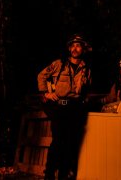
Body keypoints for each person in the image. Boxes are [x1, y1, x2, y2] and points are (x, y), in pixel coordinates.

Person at [37, 33, 92, 179]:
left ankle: (63, 174)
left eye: (78, 45)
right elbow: (41, 76)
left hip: (75, 109)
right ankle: (49, 175)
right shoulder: (59, 64)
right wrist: (45, 93)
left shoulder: (86, 68)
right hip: (60, 107)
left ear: (82, 49)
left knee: (71, 144)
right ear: (69, 48)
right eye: (72, 45)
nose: (75, 48)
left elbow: (87, 88)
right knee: (57, 142)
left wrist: (84, 100)